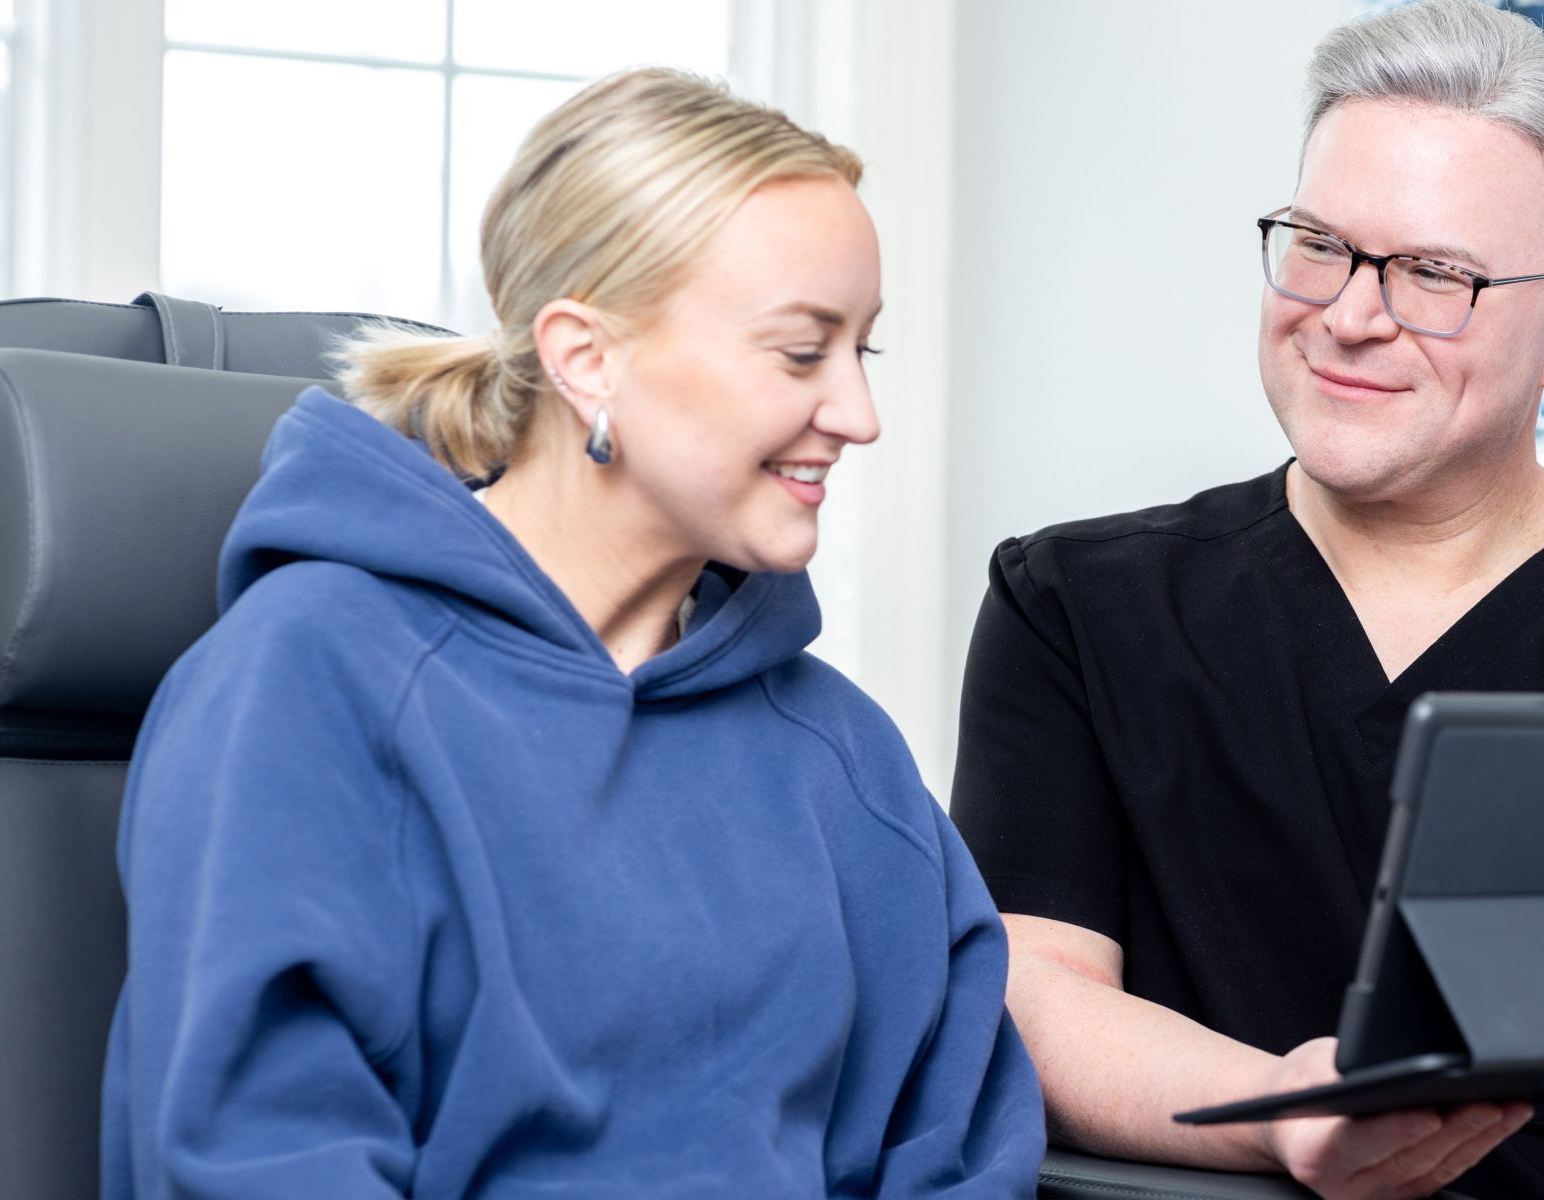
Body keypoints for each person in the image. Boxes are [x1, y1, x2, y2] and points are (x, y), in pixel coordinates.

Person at [949, 3, 1544, 1198]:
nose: (1347, 314)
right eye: (1317, 243)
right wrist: (1293, 1117)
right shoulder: (1076, 602)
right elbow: (1031, 993)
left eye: (1434, 273)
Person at [100, 68, 1042, 1199]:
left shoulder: (842, 760)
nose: (857, 414)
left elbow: (960, 1152)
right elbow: (257, 1157)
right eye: (801, 352)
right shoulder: (308, 684)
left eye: (863, 353)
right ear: (586, 357)